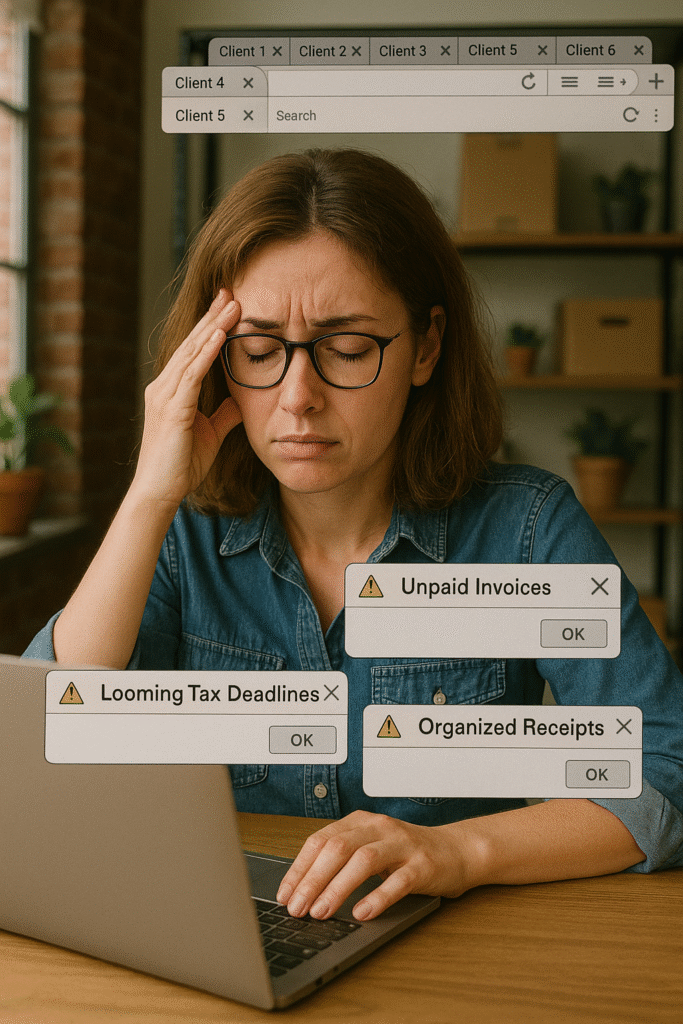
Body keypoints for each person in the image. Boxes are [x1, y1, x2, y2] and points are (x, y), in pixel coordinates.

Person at [25, 148, 683, 923]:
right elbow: (48, 745)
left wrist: (457, 852)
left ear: (426, 347)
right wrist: (147, 496)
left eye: (345, 349)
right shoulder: (180, 535)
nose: (297, 398)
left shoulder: (527, 528)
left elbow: (661, 774)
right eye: (260, 350)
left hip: (449, 947)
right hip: (236, 941)